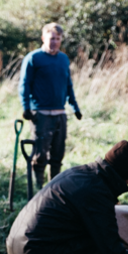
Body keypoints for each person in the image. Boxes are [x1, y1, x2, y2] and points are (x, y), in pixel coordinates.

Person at [18, 22, 82, 188]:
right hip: (41, 113)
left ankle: (53, 189)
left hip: (59, 113)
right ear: (43, 38)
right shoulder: (34, 58)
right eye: (52, 38)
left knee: (57, 155)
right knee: (40, 154)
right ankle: (38, 188)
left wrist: (74, 107)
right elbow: (25, 84)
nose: (54, 42)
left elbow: (68, 85)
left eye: (58, 39)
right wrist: (26, 107)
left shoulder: (63, 59)